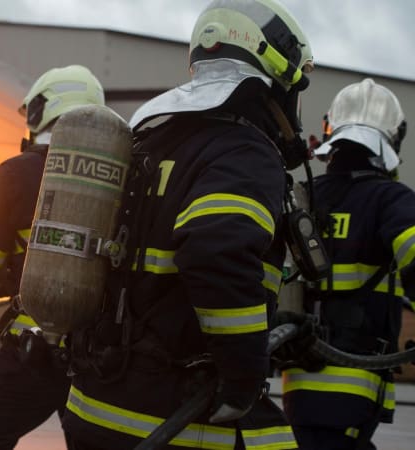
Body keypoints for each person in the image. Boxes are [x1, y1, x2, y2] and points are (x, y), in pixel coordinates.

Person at [61, 1, 315, 448]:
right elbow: (216, 251)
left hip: (95, 402)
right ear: (276, 73)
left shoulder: (148, 143)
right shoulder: (243, 152)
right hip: (177, 415)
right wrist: (243, 373)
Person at [0, 65, 106, 450]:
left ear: (39, 112)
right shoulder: (130, 175)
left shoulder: (17, 174)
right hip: (104, 354)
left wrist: (10, 279)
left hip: (35, 349)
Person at [281, 78, 412, 449]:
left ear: (330, 129)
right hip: (355, 383)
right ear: (394, 139)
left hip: (298, 382)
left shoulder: (303, 198)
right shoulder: (392, 201)